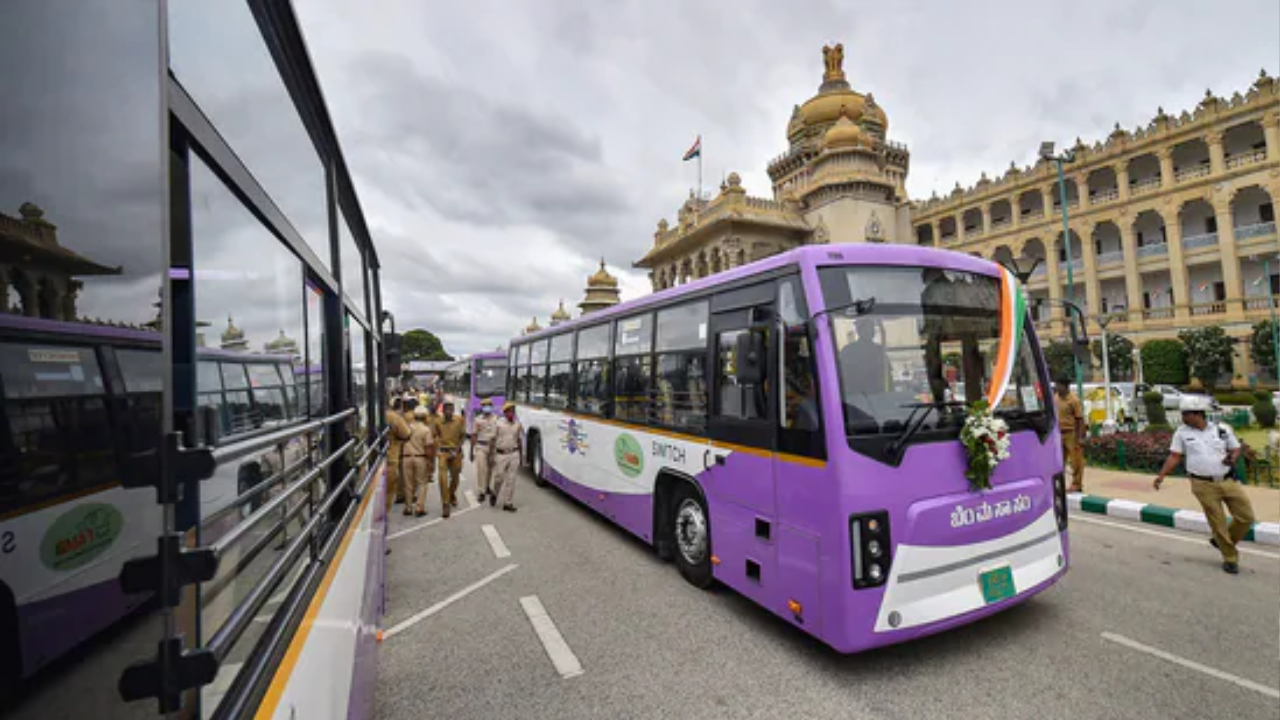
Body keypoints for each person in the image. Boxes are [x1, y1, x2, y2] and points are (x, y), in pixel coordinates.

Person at [1154, 395, 1256, 574]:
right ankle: (1230, 557)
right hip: (1202, 484)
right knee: (1218, 522)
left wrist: (1232, 457)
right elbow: (1175, 456)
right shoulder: (1182, 433)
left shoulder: (1221, 429)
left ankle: (1221, 541)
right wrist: (1161, 476)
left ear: (1197, 414)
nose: (1183, 417)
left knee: (1246, 516)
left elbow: (1235, 448)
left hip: (1228, 480)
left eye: (1185, 414)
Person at [490, 401, 524, 512]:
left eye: (513, 411)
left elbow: (519, 440)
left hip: (514, 454)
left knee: (511, 479)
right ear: (505, 413)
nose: (511, 413)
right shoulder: (498, 424)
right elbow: (492, 439)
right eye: (509, 411)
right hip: (501, 454)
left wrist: (521, 456)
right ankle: (495, 492)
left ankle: (507, 503)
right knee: (499, 477)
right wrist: (491, 455)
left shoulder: (517, 424)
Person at [402, 406, 435, 517]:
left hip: (406, 458)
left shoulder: (407, 427)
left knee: (408, 484)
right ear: (425, 417)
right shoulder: (426, 430)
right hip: (420, 458)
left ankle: (408, 507)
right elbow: (429, 447)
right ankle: (419, 508)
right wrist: (430, 463)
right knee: (422, 483)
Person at [436, 400, 467, 517]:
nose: (449, 411)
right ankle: (445, 504)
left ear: (453, 410)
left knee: (455, 478)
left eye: (451, 409)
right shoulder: (438, 422)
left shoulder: (459, 420)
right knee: (442, 479)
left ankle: (451, 494)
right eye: (446, 409)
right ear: (443, 410)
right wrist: (438, 446)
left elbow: (463, 436)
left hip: (456, 452)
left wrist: (457, 448)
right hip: (443, 453)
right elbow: (435, 435)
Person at [1054, 378, 1086, 492]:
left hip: (1071, 433)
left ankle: (1077, 484)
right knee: (1058, 461)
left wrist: (1080, 437)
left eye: (1059, 385)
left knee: (1076, 461)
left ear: (1065, 386)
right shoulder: (1056, 397)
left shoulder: (1074, 400)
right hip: (1058, 433)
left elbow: (1080, 419)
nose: (1057, 387)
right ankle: (1059, 483)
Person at [384, 395, 411, 513]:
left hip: (372, 460)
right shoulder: (395, 418)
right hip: (391, 459)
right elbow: (406, 434)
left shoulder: (373, 415)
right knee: (388, 492)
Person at [470, 399, 499, 505]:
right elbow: (474, 435)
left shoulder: (496, 419)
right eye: (485, 405)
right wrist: (471, 451)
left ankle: (487, 487)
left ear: (491, 406)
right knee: (481, 469)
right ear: (482, 407)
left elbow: (498, 434)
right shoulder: (478, 420)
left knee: (490, 469)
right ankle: (481, 491)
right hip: (480, 446)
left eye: (489, 405)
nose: (487, 407)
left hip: (492, 447)